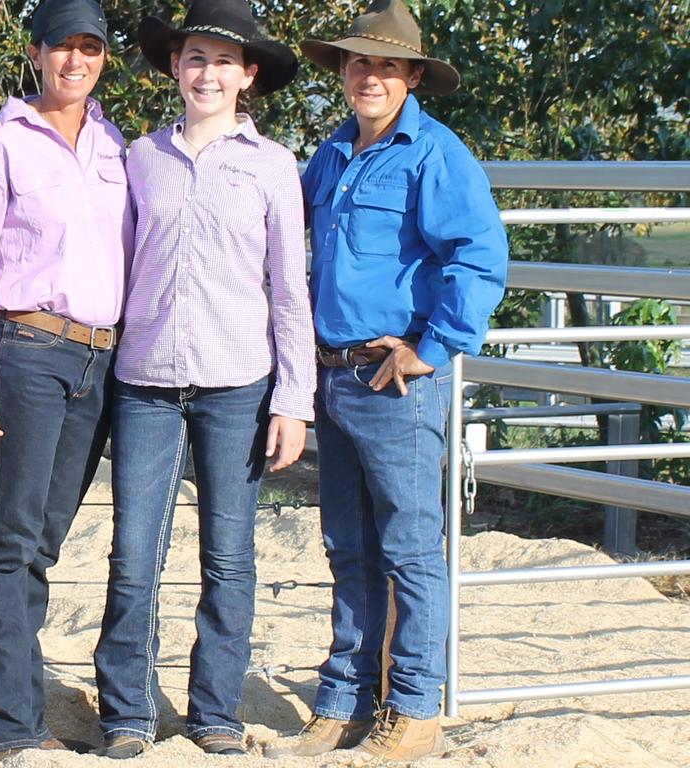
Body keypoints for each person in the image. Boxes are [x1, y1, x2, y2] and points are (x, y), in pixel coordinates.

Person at [263, 0, 508, 762]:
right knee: (347, 544)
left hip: (392, 378)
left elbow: (479, 254)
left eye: (387, 66)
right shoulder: (332, 154)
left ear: (411, 79)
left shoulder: (436, 155)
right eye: (359, 62)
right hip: (335, 376)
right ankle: (343, 698)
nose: (371, 76)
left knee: (407, 545)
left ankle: (414, 707)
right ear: (343, 72)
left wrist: (431, 346)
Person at [92, 0, 316, 759]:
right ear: (174, 68)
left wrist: (294, 398)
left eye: (224, 61)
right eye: (195, 58)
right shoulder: (139, 159)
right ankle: (126, 711)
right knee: (134, 552)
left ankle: (215, 709)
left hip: (237, 384)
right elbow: (114, 264)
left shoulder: (273, 166)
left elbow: (289, 291)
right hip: (146, 380)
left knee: (228, 555)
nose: (207, 73)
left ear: (247, 75)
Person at [0, 0, 133, 758]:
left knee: (43, 540)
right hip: (28, 350)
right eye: (62, 48)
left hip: (100, 359)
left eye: (90, 48)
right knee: (11, 537)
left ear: (103, 59)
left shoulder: (114, 144)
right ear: (35, 53)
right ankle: (5, 724)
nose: (75, 61)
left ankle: (10, 700)